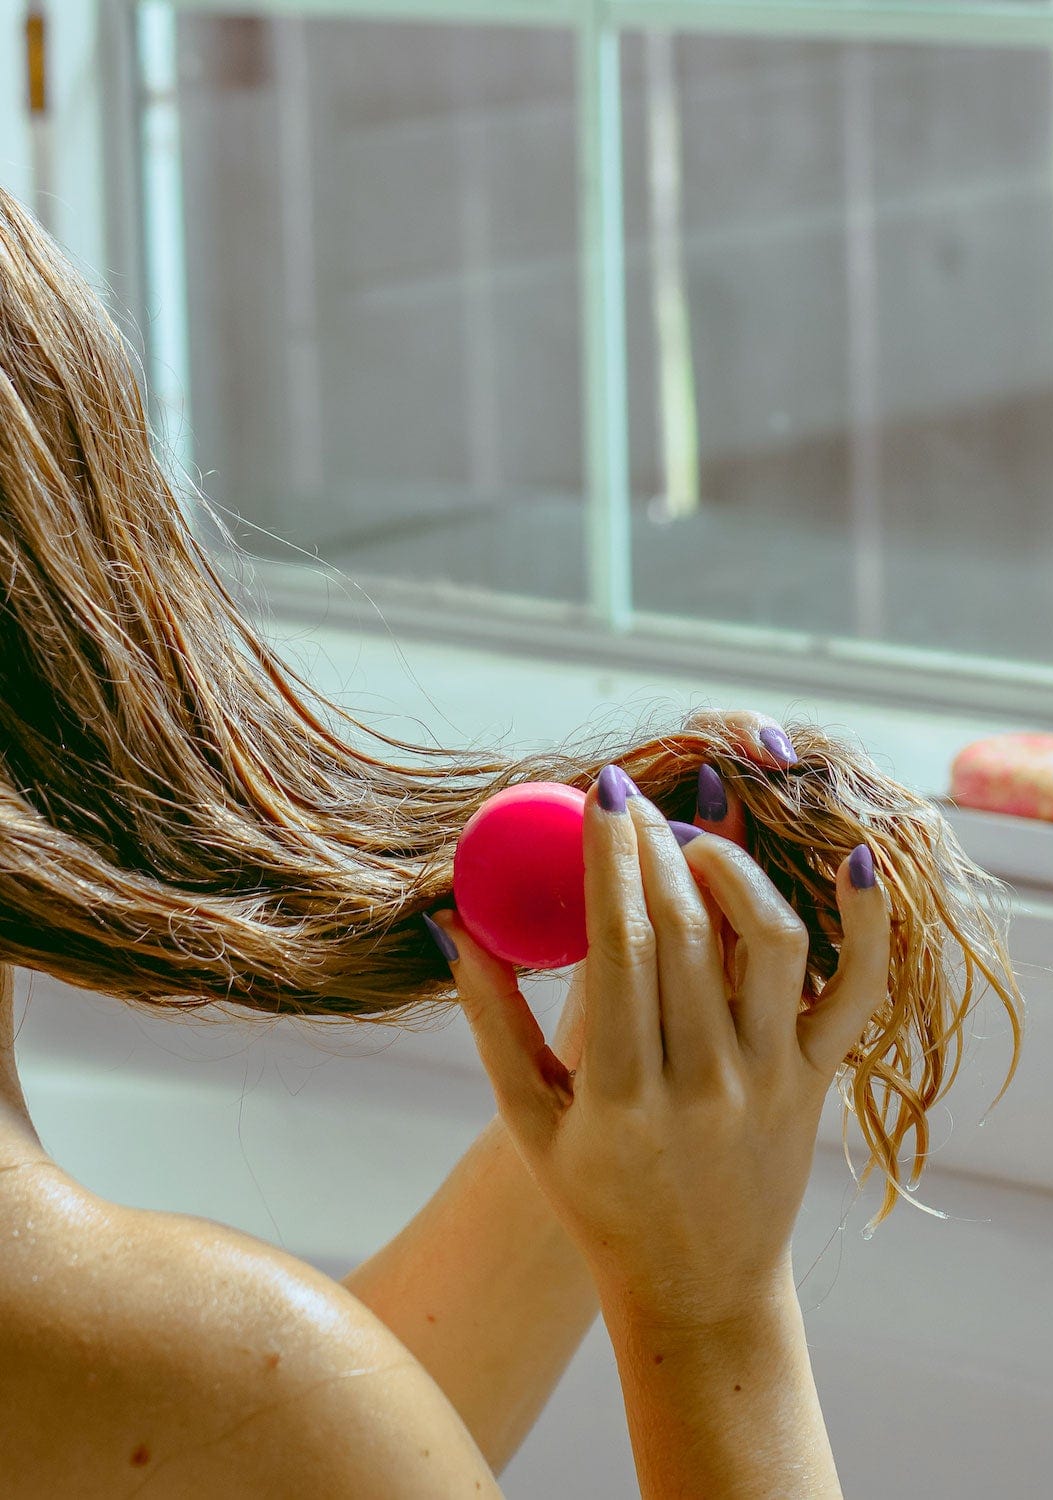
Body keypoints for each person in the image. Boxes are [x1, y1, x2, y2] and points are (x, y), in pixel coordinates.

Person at [0, 182, 898, 1497]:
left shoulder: (189, 1390)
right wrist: (710, 1316)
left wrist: (611, 1083)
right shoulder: (218, 1391)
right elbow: (276, 1439)